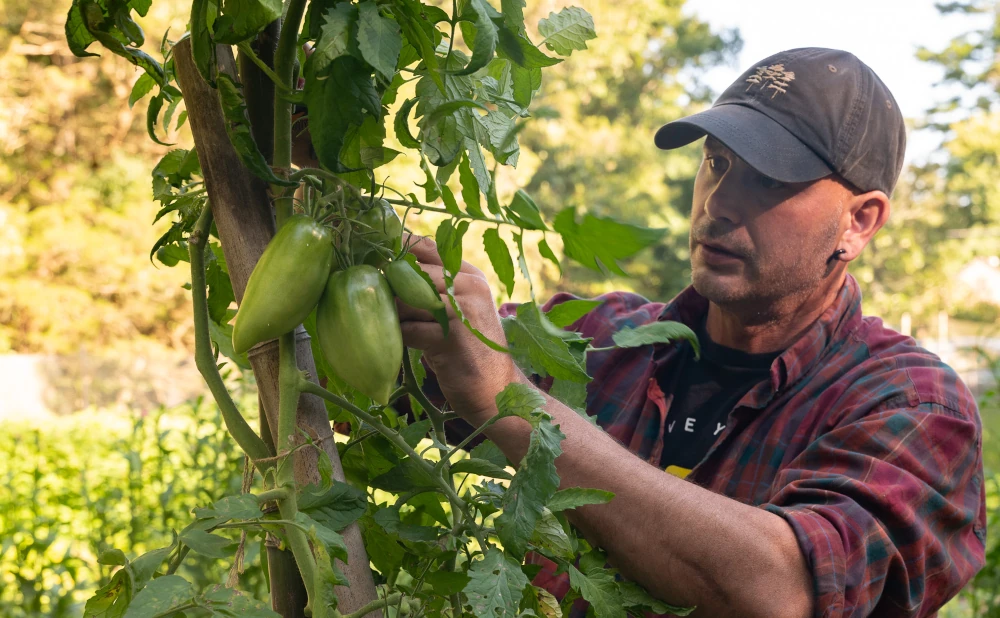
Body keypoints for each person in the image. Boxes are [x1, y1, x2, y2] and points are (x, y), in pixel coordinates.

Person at [392, 48, 986, 617]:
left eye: (770, 181)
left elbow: (785, 591)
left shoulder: (914, 406)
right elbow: (379, 376)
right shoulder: (594, 341)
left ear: (859, 221)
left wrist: (511, 401)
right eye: (717, 163)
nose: (718, 204)